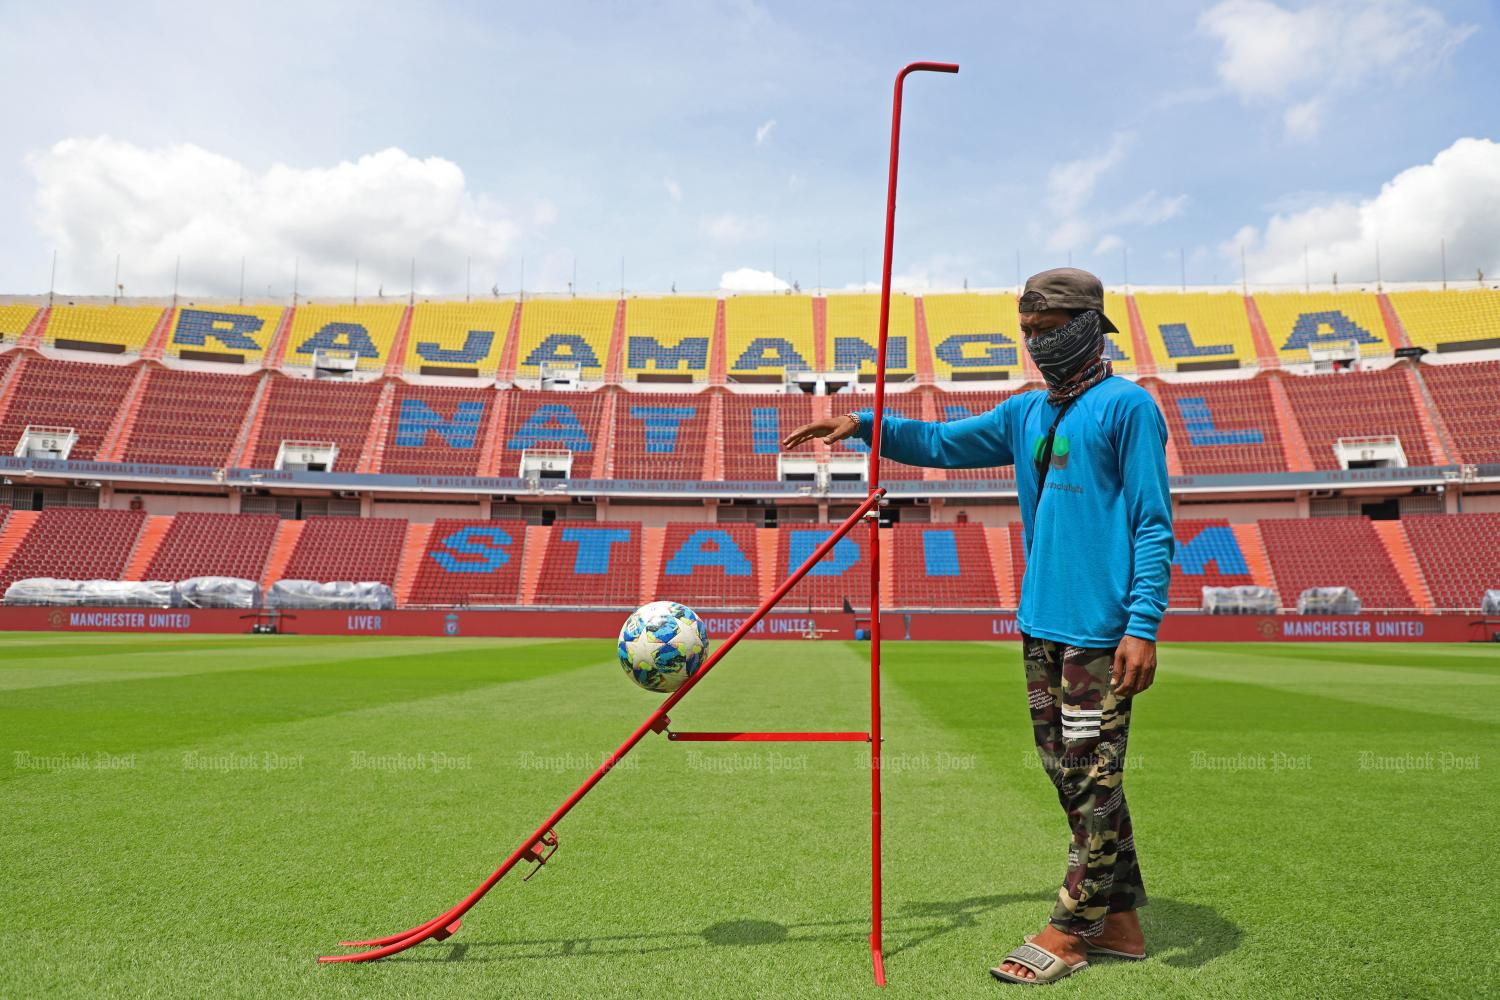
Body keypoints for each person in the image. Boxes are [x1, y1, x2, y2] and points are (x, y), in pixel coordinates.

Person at [781, 268, 1173, 986]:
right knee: (1070, 775)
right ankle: (1119, 919)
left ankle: (1073, 928)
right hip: (1040, 625)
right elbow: (940, 442)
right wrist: (865, 424)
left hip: (1098, 629)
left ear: (1089, 326)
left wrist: (1142, 624)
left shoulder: (1129, 408)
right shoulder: (1027, 413)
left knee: (1091, 778)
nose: (1037, 345)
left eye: (1050, 332)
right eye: (1028, 333)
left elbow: (1152, 523)